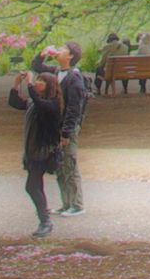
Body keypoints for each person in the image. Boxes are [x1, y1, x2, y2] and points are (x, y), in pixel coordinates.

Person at [7, 62, 64, 237]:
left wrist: (30, 83)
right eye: (37, 80)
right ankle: (44, 220)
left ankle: (45, 221)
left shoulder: (52, 105)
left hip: (43, 152)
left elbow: (40, 104)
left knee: (32, 186)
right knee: (35, 185)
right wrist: (16, 84)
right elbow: (15, 103)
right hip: (32, 151)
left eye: (41, 81)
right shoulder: (35, 103)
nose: (37, 83)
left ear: (50, 86)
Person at [53, 43, 91, 216]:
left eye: (63, 49)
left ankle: (77, 204)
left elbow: (74, 108)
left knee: (70, 164)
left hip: (67, 129)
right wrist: (42, 54)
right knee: (60, 166)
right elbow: (37, 67)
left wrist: (66, 132)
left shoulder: (74, 78)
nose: (58, 51)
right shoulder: (56, 73)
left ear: (70, 56)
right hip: (56, 127)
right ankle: (66, 203)